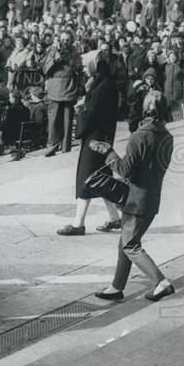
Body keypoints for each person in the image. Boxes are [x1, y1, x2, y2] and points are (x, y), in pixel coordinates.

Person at [89, 91, 176, 302]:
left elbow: (125, 170)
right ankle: (116, 287)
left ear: (145, 110)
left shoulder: (139, 136)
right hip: (152, 198)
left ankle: (161, 282)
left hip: (136, 201)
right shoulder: (167, 136)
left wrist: (108, 153)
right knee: (125, 243)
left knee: (130, 246)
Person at [57, 57, 122, 236]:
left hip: (95, 138)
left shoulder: (103, 86)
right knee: (101, 177)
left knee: (87, 177)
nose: (85, 69)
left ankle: (78, 223)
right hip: (101, 138)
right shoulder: (105, 84)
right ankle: (114, 218)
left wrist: (82, 109)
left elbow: (93, 113)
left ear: (95, 66)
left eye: (87, 66)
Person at [43, 31, 80, 156]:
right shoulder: (53, 51)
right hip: (55, 89)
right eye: (63, 39)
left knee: (67, 120)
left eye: (68, 40)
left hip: (69, 87)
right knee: (53, 120)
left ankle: (66, 147)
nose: (65, 42)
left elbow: (78, 67)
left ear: (71, 41)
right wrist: (54, 60)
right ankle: (51, 146)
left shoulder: (75, 52)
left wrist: (70, 61)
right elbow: (45, 69)